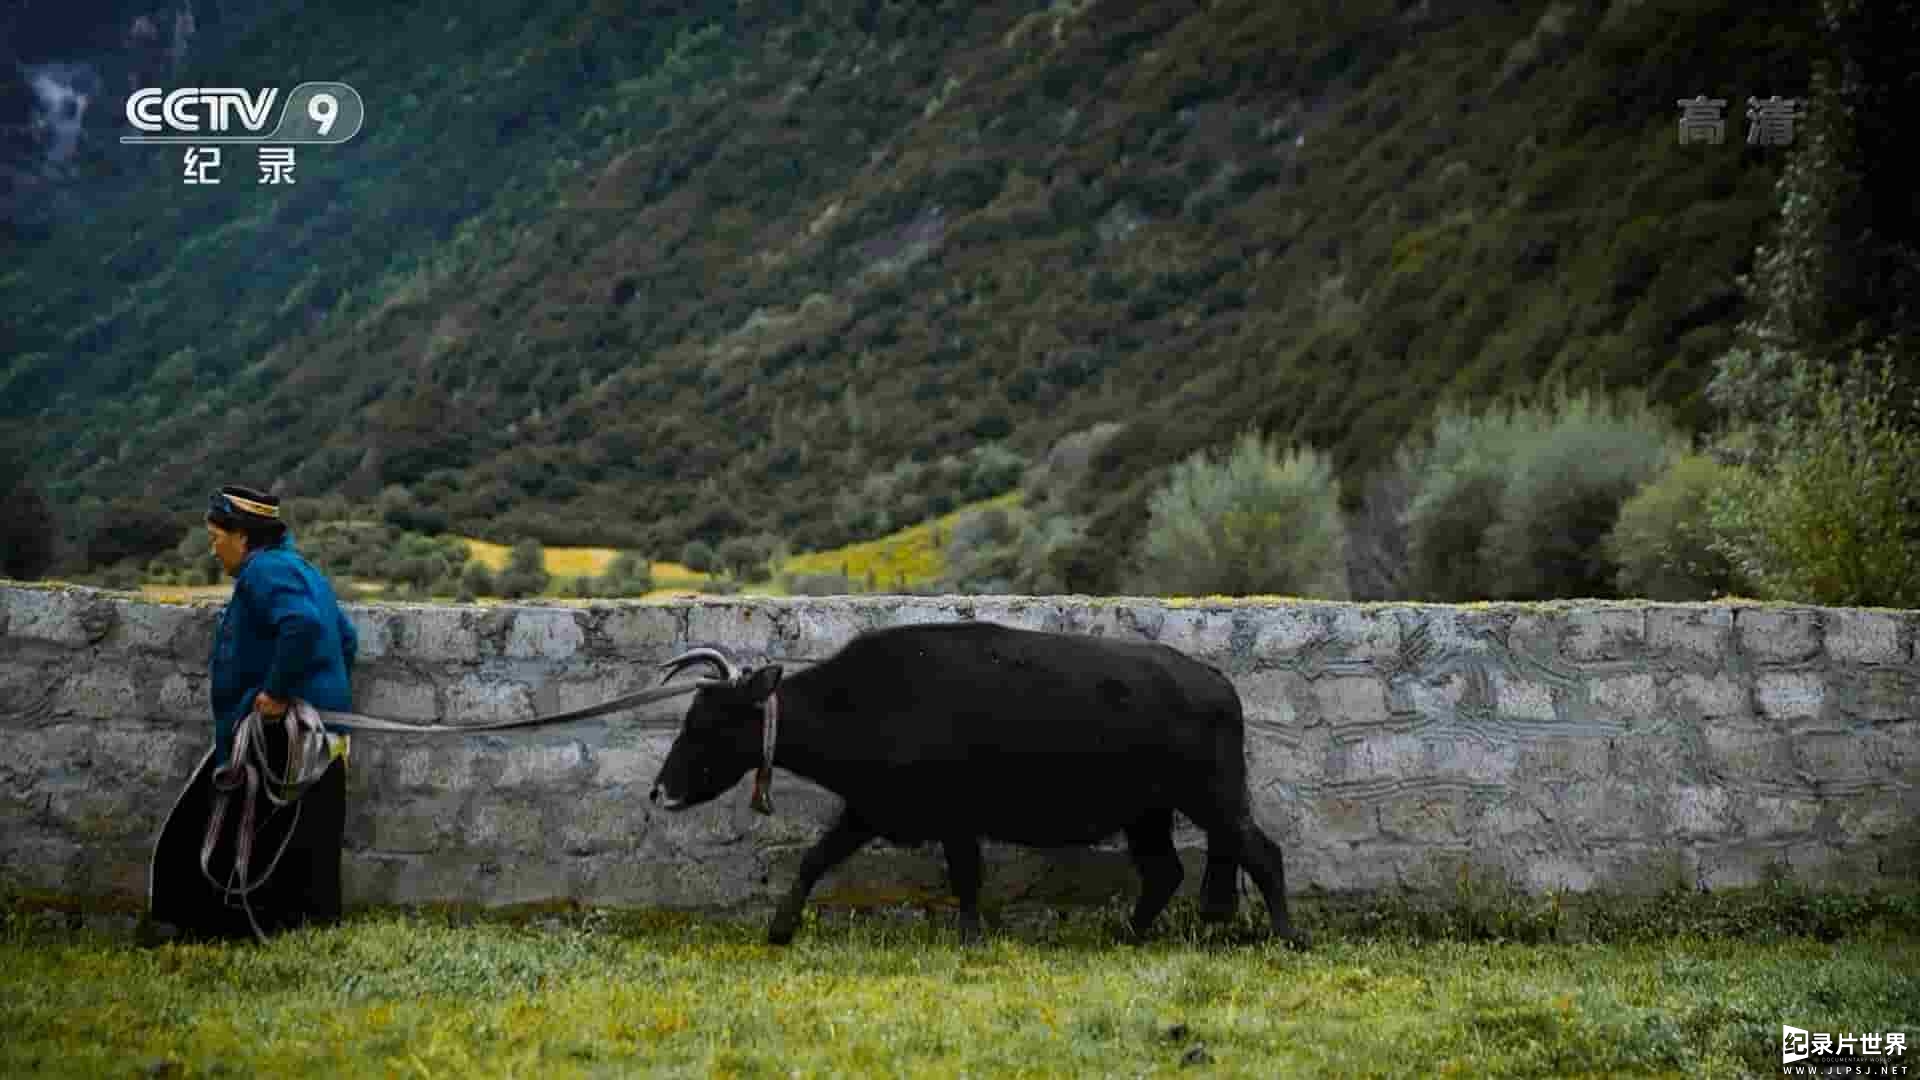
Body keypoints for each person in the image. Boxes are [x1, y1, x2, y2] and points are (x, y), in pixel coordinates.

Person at [144, 485, 359, 943]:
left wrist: (280, 693)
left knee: (199, 830)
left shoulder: (264, 572)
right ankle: (299, 933)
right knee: (304, 844)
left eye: (215, 535)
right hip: (320, 733)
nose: (212, 547)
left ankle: (200, 929)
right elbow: (346, 639)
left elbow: (302, 626)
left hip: (280, 731)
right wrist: (326, 695)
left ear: (242, 537)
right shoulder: (303, 570)